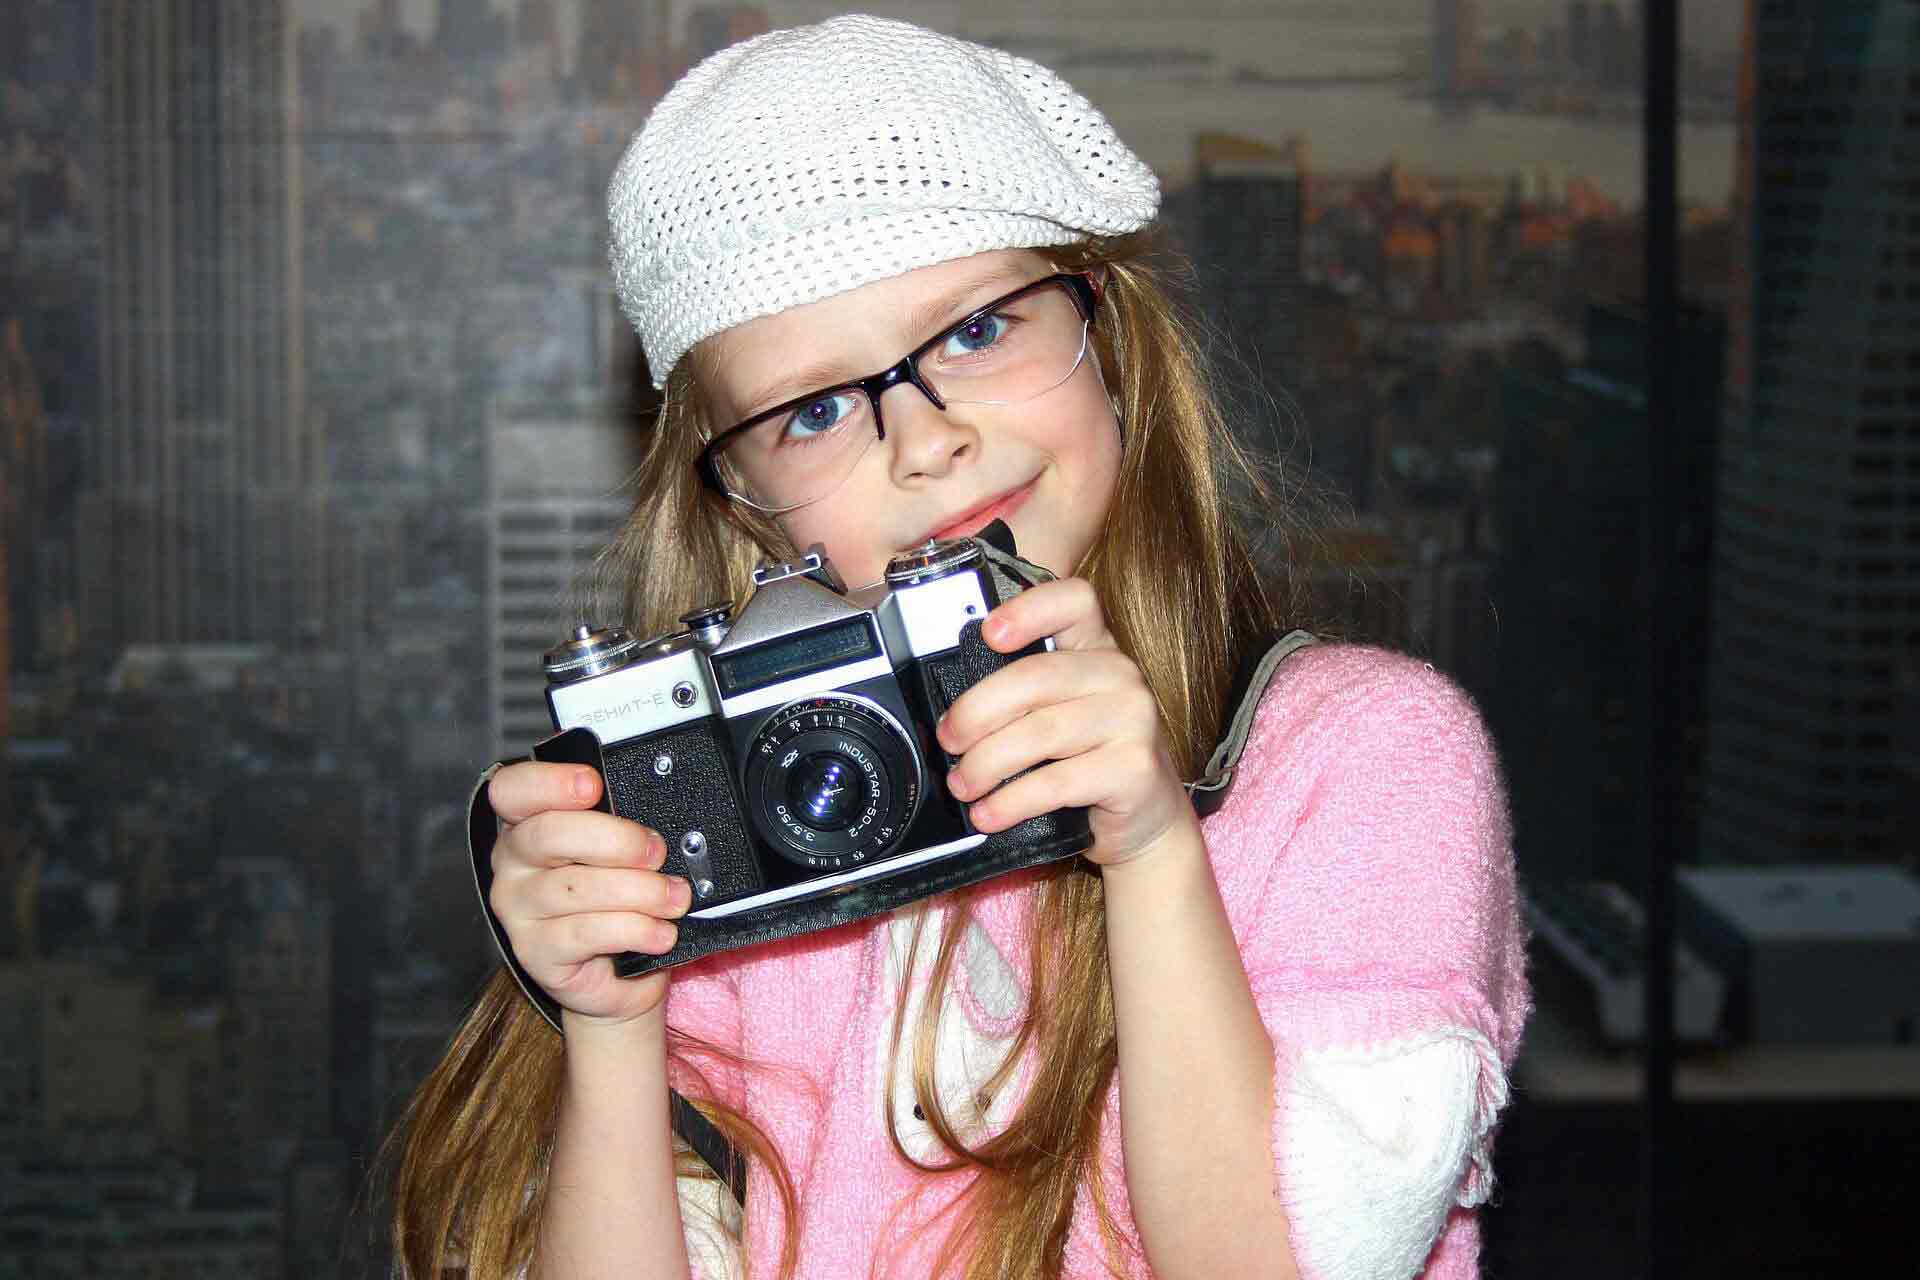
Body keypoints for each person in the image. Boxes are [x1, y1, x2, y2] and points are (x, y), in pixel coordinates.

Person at [389, 15, 1528, 1280]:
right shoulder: (765, 833)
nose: (926, 441)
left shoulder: (1358, 761)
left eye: (978, 332)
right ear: (747, 506)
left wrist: (1156, 851)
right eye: (818, 410)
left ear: (1108, 336)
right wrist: (612, 1025)